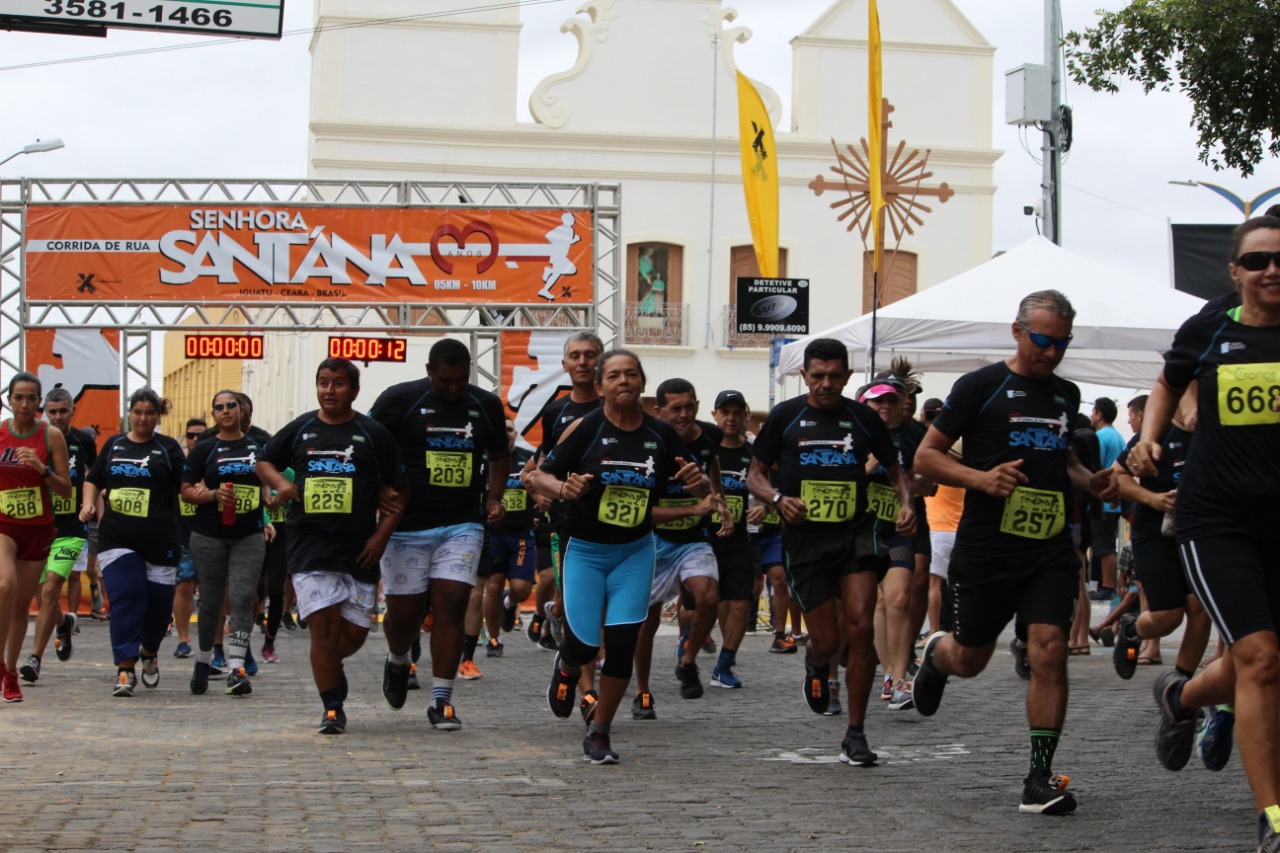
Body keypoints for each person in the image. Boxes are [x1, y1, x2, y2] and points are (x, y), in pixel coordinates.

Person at [911, 290, 1116, 815]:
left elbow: (1063, 460)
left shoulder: (1066, 395)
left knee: (1048, 649)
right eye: (1043, 340)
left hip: (1048, 547)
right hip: (986, 548)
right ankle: (937, 655)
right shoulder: (980, 386)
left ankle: (1039, 777)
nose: (1051, 352)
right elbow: (927, 458)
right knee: (971, 659)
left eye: (1062, 343)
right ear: (1018, 331)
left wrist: (1091, 481)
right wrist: (980, 478)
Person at [1127, 214, 1280, 852]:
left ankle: (1183, 697)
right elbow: (1168, 378)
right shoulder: (1211, 327)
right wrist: (1152, 434)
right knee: (1261, 658)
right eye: (1257, 261)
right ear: (1235, 271)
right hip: (1216, 516)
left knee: (1255, 663)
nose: (1272, 270)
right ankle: (1275, 819)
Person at [527, 349, 707, 764]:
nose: (623, 381)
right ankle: (568, 666)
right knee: (584, 643)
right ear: (601, 386)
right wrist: (562, 490)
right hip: (586, 550)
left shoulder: (661, 435)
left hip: (635, 551)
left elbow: (698, 488)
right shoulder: (585, 428)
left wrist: (698, 485)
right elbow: (539, 473)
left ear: (642, 383)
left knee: (622, 643)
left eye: (631, 374)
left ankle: (600, 731)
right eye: (613, 375)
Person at [747, 337, 915, 767]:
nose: (825, 384)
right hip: (805, 543)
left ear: (847, 376)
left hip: (855, 535)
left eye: (834, 376)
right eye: (817, 376)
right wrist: (778, 498)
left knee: (859, 628)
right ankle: (816, 664)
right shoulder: (785, 417)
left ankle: (855, 733)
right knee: (828, 639)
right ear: (804, 375)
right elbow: (755, 475)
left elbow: (895, 469)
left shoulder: (861, 418)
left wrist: (906, 503)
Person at [257, 358, 405, 734]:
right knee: (321, 629)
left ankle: (328, 668)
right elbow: (264, 462)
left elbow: (400, 490)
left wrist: (380, 536)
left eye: (338, 383)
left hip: (359, 547)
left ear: (354, 390)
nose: (329, 390)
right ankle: (332, 707)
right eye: (323, 382)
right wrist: (281, 483)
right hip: (310, 542)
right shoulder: (302, 428)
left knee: (352, 635)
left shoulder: (373, 434)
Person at [370, 339, 508, 731]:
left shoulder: (485, 404)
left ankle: (441, 700)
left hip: (462, 523)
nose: (454, 388)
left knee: (451, 603)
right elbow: (370, 446)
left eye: (461, 380)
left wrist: (494, 498)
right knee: (405, 615)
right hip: (407, 524)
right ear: (429, 371)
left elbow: (499, 455)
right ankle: (398, 659)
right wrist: (381, 490)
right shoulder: (400, 399)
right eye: (445, 381)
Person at [80, 388, 185, 697]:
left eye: (149, 413)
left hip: (160, 538)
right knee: (128, 597)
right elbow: (93, 480)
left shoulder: (167, 448)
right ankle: (125, 668)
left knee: (158, 609)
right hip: (117, 537)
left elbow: (187, 485)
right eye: (137, 412)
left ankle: (149, 653)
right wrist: (87, 505)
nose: (143, 418)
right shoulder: (114, 444)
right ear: (130, 413)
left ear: (157, 416)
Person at [633, 378, 727, 710]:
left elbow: (712, 464)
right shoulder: (645, 443)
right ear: (658, 411)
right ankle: (643, 692)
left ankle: (687, 661)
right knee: (647, 620)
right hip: (652, 540)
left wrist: (719, 501)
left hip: (693, 539)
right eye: (676, 409)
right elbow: (642, 513)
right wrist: (694, 506)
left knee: (709, 596)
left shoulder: (710, 436)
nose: (684, 415)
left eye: (690, 406)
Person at [180, 390, 269, 697]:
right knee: (212, 601)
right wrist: (212, 495)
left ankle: (237, 667)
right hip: (209, 534)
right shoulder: (205, 448)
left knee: (244, 596)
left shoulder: (258, 446)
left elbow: (269, 482)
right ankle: (204, 661)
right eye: (219, 407)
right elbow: (186, 491)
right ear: (214, 414)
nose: (226, 410)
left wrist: (273, 498)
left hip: (249, 533)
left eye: (231, 405)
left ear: (241, 410)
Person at [0, 374, 71, 702]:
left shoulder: (51, 435)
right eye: (19, 398)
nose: (25, 404)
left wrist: (43, 469)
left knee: (18, 608)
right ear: (9, 400)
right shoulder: (0, 433)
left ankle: (11, 671)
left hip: (37, 527)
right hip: (4, 524)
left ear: (39, 402)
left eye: (31, 398)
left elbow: (65, 489)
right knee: (4, 585)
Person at [18, 387, 95, 686]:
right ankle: (63, 624)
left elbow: (94, 478)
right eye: (52, 412)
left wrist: (91, 503)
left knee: (51, 590)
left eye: (63, 411)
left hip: (71, 530)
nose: (58, 417)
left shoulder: (84, 442)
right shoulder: (34, 439)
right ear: (44, 412)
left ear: (73, 411)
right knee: (40, 595)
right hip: (38, 527)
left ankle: (34, 658)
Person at [708, 390, 758, 690]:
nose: (730, 418)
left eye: (736, 412)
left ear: (745, 416)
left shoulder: (752, 454)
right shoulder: (704, 449)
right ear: (714, 415)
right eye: (724, 412)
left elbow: (764, 486)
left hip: (740, 538)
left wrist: (763, 506)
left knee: (741, 600)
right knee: (701, 603)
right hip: (704, 537)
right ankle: (690, 638)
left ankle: (724, 665)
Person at [483, 418, 537, 657]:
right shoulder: (486, 460)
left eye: (509, 429)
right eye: (500, 430)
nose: (505, 434)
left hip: (521, 534)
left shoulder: (528, 459)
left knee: (522, 589)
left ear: (516, 433)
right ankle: (494, 639)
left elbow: (542, 485)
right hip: (493, 533)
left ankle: (510, 603)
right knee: (492, 585)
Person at [172, 417, 208, 660]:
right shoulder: (178, 465)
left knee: (211, 591)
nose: (195, 440)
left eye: (200, 436)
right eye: (191, 435)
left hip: (211, 535)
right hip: (182, 535)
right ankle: (183, 639)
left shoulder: (215, 461)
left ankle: (211, 642)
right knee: (183, 586)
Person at [1088, 397, 1125, 601]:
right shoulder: (1118, 437)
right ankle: (1104, 584)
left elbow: (1095, 466)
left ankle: (1108, 585)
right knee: (1105, 542)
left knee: (1103, 545)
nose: (1092, 415)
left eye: (1093, 411)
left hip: (1103, 499)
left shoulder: (1101, 437)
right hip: (1113, 499)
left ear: (1100, 414)